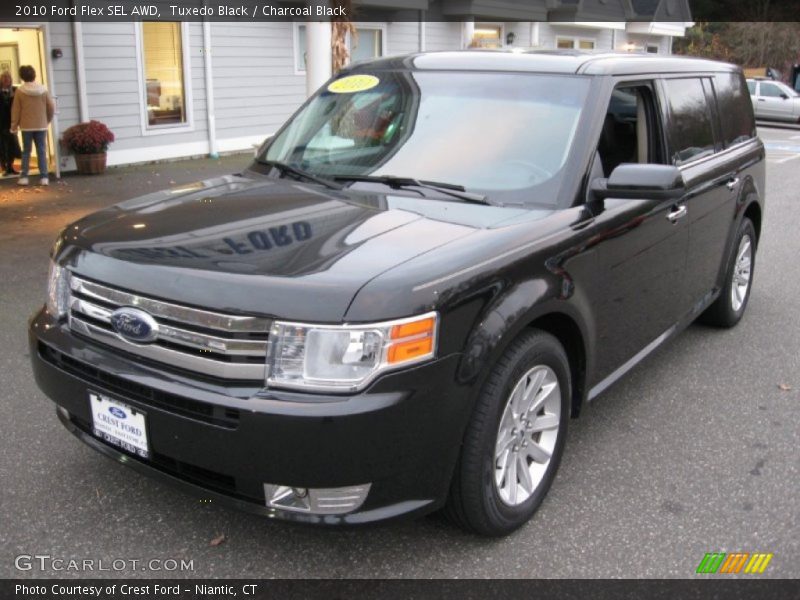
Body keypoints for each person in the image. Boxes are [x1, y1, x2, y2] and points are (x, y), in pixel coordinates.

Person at [10, 65, 55, 186]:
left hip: (26, 126)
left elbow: (16, 110)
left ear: (22, 76)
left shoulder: (20, 91)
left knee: (26, 151)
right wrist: (47, 120)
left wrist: (14, 125)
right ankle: (44, 177)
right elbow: (51, 107)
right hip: (41, 125)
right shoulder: (43, 90)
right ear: (34, 75)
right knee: (41, 150)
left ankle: (24, 176)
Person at [0, 72, 21, 176]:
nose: (6, 80)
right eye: (4, 78)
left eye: (8, 78)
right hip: (1, 122)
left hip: (12, 121)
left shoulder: (15, 90)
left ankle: (10, 166)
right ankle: (4, 167)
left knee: (12, 144)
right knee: (3, 146)